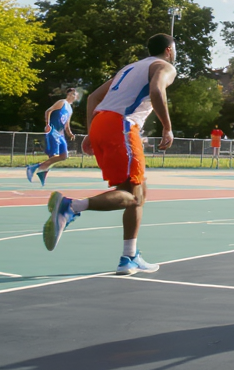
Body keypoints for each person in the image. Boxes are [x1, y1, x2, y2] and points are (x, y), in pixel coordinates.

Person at [43, 33, 178, 275]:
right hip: (122, 126)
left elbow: (94, 97)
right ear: (169, 50)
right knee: (132, 196)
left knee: (139, 192)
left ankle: (129, 257)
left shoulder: (130, 67)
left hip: (103, 123)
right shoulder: (164, 66)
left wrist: (90, 131)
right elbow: (157, 90)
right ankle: (70, 206)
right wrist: (167, 127)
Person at [26, 88, 78, 185]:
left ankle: (38, 168)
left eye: (75, 94)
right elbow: (48, 111)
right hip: (53, 131)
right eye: (72, 93)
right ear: (68, 94)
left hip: (61, 134)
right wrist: (48, 124)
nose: (73, 96)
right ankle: (38, 169)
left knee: (64, 156)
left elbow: (67, 124)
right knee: (53, 156)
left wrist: (69, 133)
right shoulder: (62, 102)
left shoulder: (70, 109)